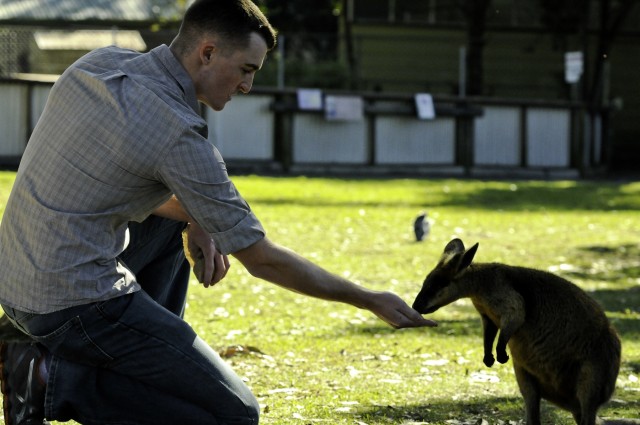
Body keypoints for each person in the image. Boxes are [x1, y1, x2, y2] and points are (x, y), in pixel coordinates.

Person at [0, 0, 436, 424]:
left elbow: (110, 183)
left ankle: (116, 360)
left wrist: (196, 218)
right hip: (73, 304)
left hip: (15, 283)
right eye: (246, 69)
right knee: (232, 412)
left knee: (180, 222)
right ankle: (48, 378)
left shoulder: (98, 65)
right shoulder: (178, 134)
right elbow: (261, 258)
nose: (248, 86)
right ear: (207, 52)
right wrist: (367, 298)